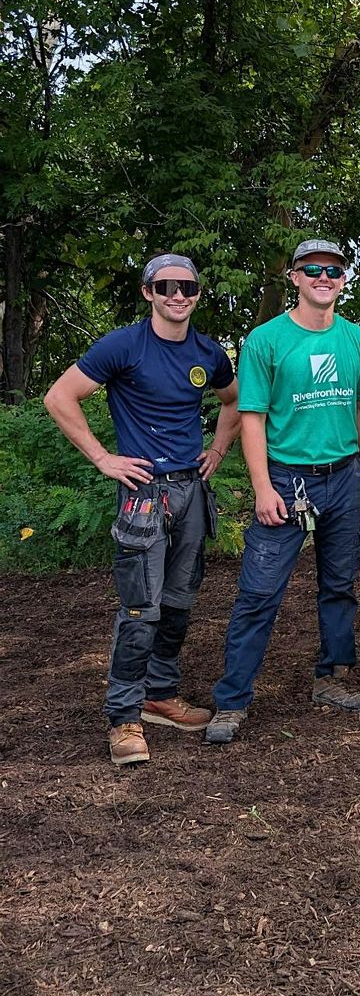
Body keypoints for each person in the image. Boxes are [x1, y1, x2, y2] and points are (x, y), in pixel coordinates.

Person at [44, 253, 240, 768]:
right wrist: (103, 458)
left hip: (191, 491)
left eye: (188, 287)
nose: (179, 295)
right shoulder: (123, 346)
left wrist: (217, 451)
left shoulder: (208, 352)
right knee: (139, 607)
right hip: (142, 494)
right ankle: (124, 718)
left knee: (180, 600)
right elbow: (61, 397)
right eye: (167, 286)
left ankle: (160, 693)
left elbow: (234, 401)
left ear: (198, 293)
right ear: (148, 292)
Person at [205, 240, 360, 745]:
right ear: (296, 278)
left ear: (343, 280)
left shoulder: (354, 338)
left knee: (340, 585)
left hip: (343, 476)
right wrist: (262, 487)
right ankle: (232, 700)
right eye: (314, 270)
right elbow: (251, 417)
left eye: (334, 271)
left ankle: (333, 678)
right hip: (287, 480)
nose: (325, 278)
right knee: (259, 592)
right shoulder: (266, 340)